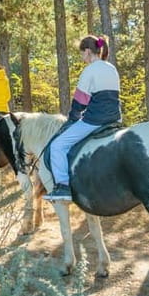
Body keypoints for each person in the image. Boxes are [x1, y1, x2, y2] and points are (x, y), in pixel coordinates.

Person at [43, 35, 121, 202]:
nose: (82, 58)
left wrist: (72, 119)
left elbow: (80, 101)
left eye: (81, 54)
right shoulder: (111, 68)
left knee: (58, 145)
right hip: (115, 118)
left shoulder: (90, 70)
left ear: (87, 51)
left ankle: (63, 186)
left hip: (95, 120)